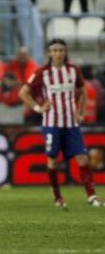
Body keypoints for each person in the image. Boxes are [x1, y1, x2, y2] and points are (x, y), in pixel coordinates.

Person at [19, 38, 103, 208]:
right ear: (49, 53)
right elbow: (23, 92)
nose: (58, 53)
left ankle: (92, 197)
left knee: (82, 158)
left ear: (65, 53)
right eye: (55, 50)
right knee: (53, 160)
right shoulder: (42, 72)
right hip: (52, 123)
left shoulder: (73, 71)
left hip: (71, 123)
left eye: (61, 50)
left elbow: (83, 92)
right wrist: (37, 107)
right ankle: (57, 197)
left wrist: (80, 112)